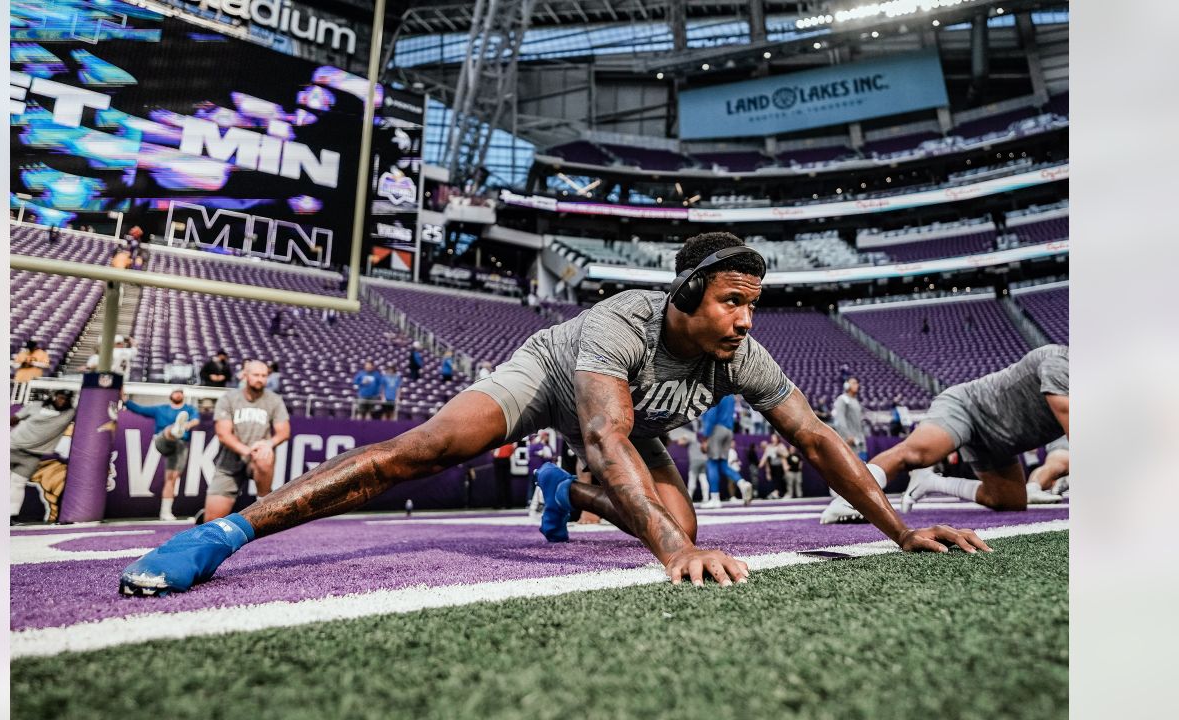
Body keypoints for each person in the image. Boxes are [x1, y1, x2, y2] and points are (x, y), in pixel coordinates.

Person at [121, 232, 987, 597]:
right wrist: (676, 552)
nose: (745, 320)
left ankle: (562, 494)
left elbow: (818, 436)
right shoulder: (623, 319)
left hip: (628, 418)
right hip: (551, 379)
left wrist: (899, 528)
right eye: (731, 302)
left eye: (754, 304)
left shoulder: (742, 353)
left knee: (672, 516)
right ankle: (220, 537)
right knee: (423, 449)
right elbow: (604, 431)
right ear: (688, 296)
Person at [820, 345, 1069, 524]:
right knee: (917, 453)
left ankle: (932, 482)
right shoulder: (1058, 363)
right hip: (969, 407)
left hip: (1002, 441)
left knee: (1010, 501)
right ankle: (849, 498)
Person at [202, 361, 290, 523]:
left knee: (265, 456)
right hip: (229, 463)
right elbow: (223, 434)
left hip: (257, 459)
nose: (260, 379)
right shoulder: (228, 399)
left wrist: (267, 444)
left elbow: (284, 432)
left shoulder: (274, 400)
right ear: (245, 375)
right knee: (211, 522)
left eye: (264, 376)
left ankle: (263, 500)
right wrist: (248, 451)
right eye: (256, 375)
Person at [123, 388, 200, 520]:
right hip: (162, 441)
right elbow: (140, 409)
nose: (178, 394)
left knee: (172, 477)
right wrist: (125, 400)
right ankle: (174, 430)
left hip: (180, 446)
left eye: (180, 392)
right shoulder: (160, 409)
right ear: (171, 395)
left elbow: (195, 420)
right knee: (168, 431)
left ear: (183, 395)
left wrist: (187, 425)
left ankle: (165, 512)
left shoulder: (189, 409)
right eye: (175, 392)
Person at [10, 390, 76, 522]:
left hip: (33, 456)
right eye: (61, 398)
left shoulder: (69, 413)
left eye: (66, 399)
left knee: (17, 484)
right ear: (54, 396)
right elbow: (15, 419)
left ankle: (11, 516)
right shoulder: (36, 405)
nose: (62, 401)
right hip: (12, 447)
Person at [698, 394, 740, 509]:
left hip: (716, 429)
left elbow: (711, 415)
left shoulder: (713, 391)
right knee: (723, 464)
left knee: (712, 463)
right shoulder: (731, 395)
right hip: (729, 430)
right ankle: (742, 483)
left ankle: (715, 499)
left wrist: (705, 437)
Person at [832, 377, 866, 461]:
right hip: (849, 441)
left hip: (859, 440)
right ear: (846, 385)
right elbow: (840, 420)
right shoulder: (842, 399)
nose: (857, 385)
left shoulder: (856, 401)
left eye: (857, 383)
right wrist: (848, 436)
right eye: (854, 383)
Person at [758, 434, 789, 500]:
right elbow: (765, 456)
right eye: (772, 437)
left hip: (780, 466)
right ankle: (776, 493)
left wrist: (780, 452)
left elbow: (786, 454)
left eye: (774, 437)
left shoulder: (781, 446)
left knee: (779, 480)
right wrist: (761, 463)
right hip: (772, 466)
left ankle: (781, 493)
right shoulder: (769, 446)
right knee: (774, 480)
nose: (772, 438)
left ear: (777, 438)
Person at [491, 442, 516, 508]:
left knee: (499, 483)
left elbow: (492, 451)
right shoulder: (510, 440)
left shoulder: (498, 440)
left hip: (499, 460)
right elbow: (512, 449)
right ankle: (508, 504)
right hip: (506, 460)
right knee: (507, 483)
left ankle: (499, 504)